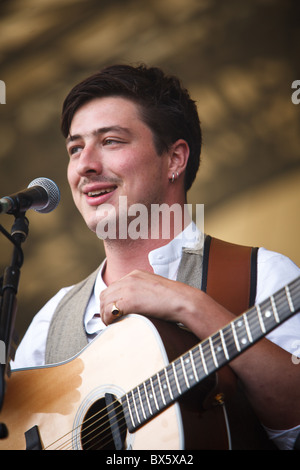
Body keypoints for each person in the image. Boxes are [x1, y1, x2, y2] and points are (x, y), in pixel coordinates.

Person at [11, 64, 300, 450]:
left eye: (111, 141)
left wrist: (191, 305)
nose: (85, 164)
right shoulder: (50, 322)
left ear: (175, 159)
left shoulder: (261, 275)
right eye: (75, 148)